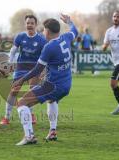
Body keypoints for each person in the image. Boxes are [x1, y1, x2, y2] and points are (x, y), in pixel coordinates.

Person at [12, 14, 78, 145]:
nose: (42, 32)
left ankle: (29, 136)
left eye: (43, 30)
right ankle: (52, 131)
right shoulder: (66, 38)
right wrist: (69, 21)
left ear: (47, 31)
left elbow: (37, 70)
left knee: (21, 104)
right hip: (67, 84)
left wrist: (20, 80)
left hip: (53, 86)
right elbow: (75, 31)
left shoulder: (49, 47)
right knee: (52, 100)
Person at [0, 15, 47, 125]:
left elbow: (45, 56)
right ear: (25, 24)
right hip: (21, 67)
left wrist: (43, 70)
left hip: (35, 68)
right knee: (13, 91)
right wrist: (9, 64)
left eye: (32, 23)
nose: (29, 25)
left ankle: (31, 115)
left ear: (36, 25)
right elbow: (13, 51)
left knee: (32, 92)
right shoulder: (20, 36)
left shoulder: (41, 40)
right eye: (28, 23)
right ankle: (6, 117)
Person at [102, 11, 119, 115]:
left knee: (113, 83)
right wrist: (105, 46)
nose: (116, 18)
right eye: (114, 16)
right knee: (114, 84)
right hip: (116, 61)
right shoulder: (109, 31)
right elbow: (104, 47)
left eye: (118, 17)